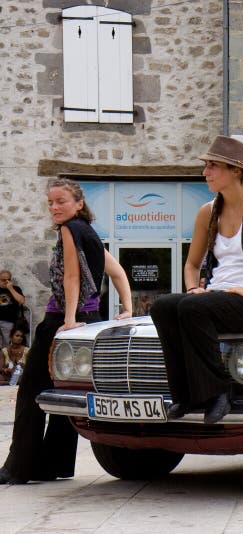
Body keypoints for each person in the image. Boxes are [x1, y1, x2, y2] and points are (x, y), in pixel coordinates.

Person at [150, 136, 243, 425]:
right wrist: (193, 287)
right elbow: (192, 264)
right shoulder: (207, 212)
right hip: (216, 296)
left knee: (192, 309)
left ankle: (220, 391)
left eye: (213, 166)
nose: (205, 172)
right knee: (163, 307)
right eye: (206, 166)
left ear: (235, 171)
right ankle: (184, 395)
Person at [0, 177, 133, 485]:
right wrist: (127, 307)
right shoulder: (89, 233)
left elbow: (71, 278)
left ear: (78, 204)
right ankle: (53, 464)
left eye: (61, 201)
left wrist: (69, 319)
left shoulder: (70, 230)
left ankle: (18, 468)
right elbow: (117, 271)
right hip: (92, 318)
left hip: (62, 321)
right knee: (64, 392)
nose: (54, 207)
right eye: (50, 202)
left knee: (31, 392)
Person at [0, 270, 25, 349]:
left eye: (9, 279)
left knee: (7, 344)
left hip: (9, 320)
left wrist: (11, 289)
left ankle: (6, 360)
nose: (6, 282)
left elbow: (21, 301)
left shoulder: (16, 289)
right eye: (3, 280)